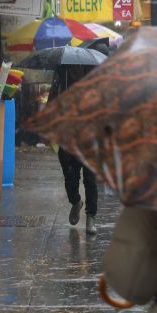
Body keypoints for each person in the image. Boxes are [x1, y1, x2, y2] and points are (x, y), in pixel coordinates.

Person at [50, 65, 99, 235]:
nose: (74, 71)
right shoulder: (62, 74)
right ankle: (76, 201)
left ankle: (91, 216)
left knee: (90, 179)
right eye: (72, 69)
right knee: (70, 177)